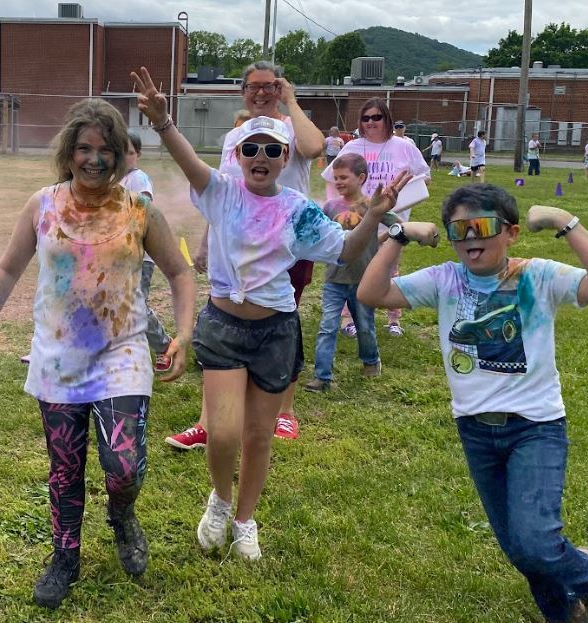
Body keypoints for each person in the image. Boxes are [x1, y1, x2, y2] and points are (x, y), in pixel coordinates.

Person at [131, 66, 411, 560]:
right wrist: (162, 121)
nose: (260, 157)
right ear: (238, 155)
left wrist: (372, 215)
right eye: (252, 149)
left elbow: (345, 250)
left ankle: (245, 519)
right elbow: (188, 161)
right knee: (222, 433)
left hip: (276, 331)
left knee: (259, 436)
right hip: (223, 327)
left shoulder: (298, 209)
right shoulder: (221, 192)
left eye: (271, 150)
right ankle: (220, 499)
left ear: (284, 158)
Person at [359, 184, 588, 623]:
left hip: (535, 427)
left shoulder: (536, 275)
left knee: (536, 542)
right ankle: (564, 614)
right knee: (518, 549)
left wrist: (566, 222)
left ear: (511, 233)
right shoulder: (445, 279)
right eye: (458, 230)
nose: (471, 237)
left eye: (483, 226)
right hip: (476, 430)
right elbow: (371, 295)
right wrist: (399, 236)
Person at [0, 98, 196, 609]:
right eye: (84, 148)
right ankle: (64, 557)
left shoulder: (138, 210)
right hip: (58, 359)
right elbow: (6, 269)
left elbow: (180, 273)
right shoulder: (42, 205)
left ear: (120, 154)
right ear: (68, 152)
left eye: (105, 149)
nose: (94, 159)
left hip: (122, 354)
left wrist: (182, 333)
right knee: (65, 468)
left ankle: (122, 515)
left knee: (124, 466)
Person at [167, 60, 325, 449]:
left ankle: (285, 412)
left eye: (270, 86)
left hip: (286, 241)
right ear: (242, 92)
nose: (261, 93)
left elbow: (314, 147)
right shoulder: (235, 138)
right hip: (234, 244)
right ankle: (207, 422)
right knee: (220, 327)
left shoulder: (291, 128)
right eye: (253, 87)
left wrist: (292, 102)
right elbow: (221, 192)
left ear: (281, 88)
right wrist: (207, 242)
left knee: (284, 324)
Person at [322, 97, 431, 337]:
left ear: (387, 119)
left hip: (391, 219)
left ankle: (393, 319)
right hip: (357, 222)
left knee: (390, 268)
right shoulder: (352, 147)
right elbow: (331, 178)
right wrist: (337, 208)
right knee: (353, 270)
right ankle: (348, 319)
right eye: (366, 118)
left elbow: (425, 176)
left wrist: (409, 188)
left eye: (376, 117)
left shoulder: (404, 146)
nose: (371, 122)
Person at [305, 153, 403, 392]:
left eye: (343, 177)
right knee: (327, 326)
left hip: (363, 280)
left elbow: (399, 226)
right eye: (336, 178)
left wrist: (383, 241)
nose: (338, 182)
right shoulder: (330, 207)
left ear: (361, 178)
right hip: (334, 279)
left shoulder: (372, 205)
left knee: (365, 326)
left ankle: (371, 361)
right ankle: (322, 376)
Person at [122, 132, 174, 370]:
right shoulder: (113, 179)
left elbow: (143, 211)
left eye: (130, 152)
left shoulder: (138, 178)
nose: (125, 157)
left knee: (137, 305)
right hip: (118, 255)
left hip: (140, 255)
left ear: (138, 155)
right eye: (119, 152)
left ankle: (165, 346)